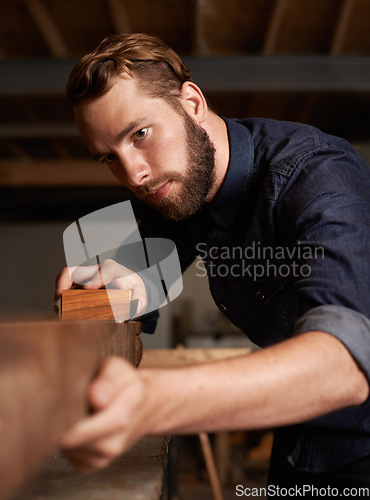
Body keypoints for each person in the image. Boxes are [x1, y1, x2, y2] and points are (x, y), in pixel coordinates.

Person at [55, 33, 370, 494]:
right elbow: (142, 277)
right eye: (109, 158)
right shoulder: (181, 187)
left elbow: (345, 363)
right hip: (299, 432)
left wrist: (152, 402)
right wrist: (116, 288)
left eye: (140, 134)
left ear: (192, 101)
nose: (133, 175)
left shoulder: (316, 174)